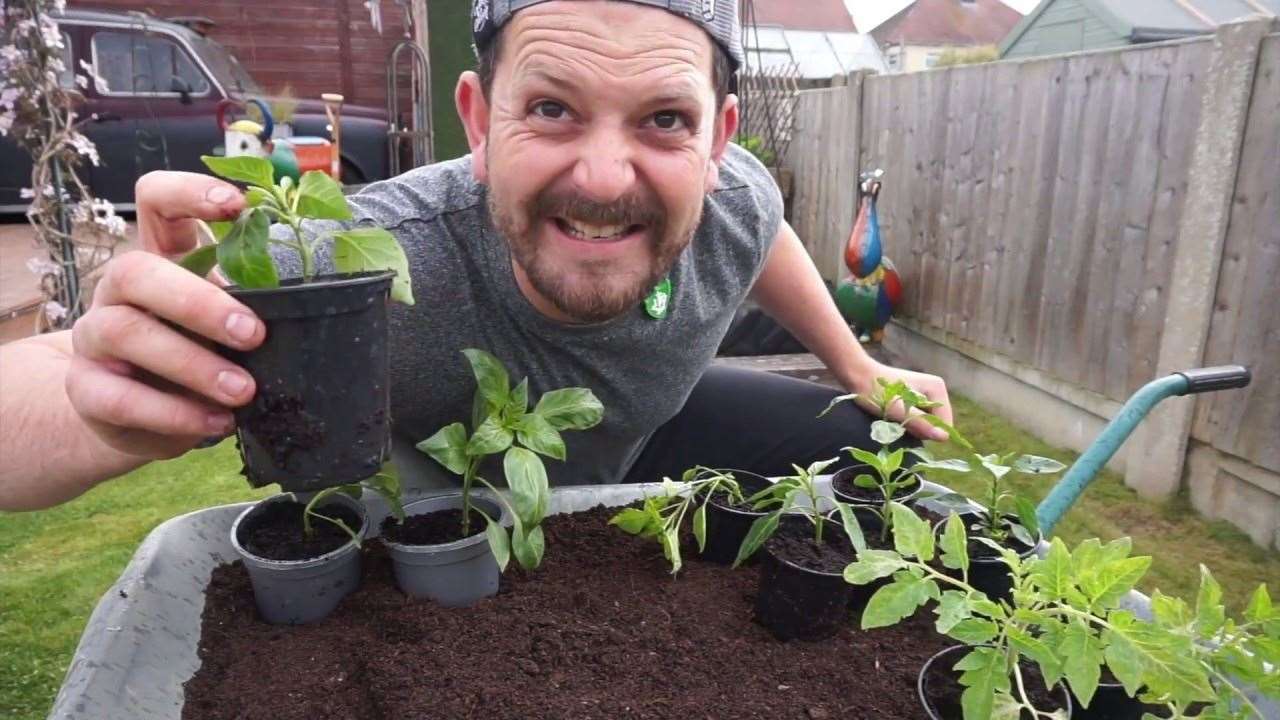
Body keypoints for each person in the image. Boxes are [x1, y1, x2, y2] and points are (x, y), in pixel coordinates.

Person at [0, 0, 951, 512]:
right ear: (477, 122)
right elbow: (35, 391)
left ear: (717, 141)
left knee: (877, 439)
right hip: (449, 504)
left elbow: (765, 229)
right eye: (550, 107)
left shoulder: (737, 193)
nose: (607, 175)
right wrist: (109, 390)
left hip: (643, 430)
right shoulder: (367, 263)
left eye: (665, 120)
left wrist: (859, 364)